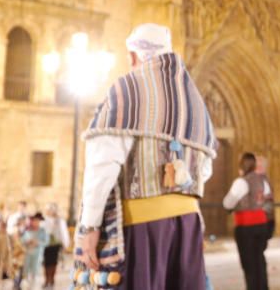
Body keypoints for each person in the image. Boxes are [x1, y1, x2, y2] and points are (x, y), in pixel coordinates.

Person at [76, 23, 217, 290]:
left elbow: (101, 166)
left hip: (143, 225)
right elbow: (205, 168)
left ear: (133, 56)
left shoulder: (128, 88)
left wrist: (90, 227)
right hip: (188, 223)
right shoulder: (193, 98)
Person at [223, 152, 271, 290]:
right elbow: (266, 199)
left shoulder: (241, 182)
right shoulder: (263, 180)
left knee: (249, 264)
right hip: (262, 225)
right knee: (260, 261)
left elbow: (227, 203)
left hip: (246, 227)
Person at [40, 202, 69, 289]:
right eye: (48, 210)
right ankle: (46, 280)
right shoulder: (44, 220)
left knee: (53, 263)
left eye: (51, 210)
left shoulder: (60, 220)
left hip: (55, 245)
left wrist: (65, 244)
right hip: (46, 244)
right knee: (46, 263)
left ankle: (52, 280)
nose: (50, 211)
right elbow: (42, 231)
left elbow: (63, 232)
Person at [20, 213, 49, 290]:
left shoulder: (43, 231)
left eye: (37, 221)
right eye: (34, 221)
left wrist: (38, 242)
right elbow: (22, 240)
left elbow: (46, 242)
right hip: (28, 254)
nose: (35, 223)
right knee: (26, 274)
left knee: (35, 274)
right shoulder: (28, 231)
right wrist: (27, 242)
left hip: (37, 254)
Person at [254, 155, 276, 241]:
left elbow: (269, 198)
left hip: (266, 218)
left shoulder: (265, 180)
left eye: (260, 166)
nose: (258, 168)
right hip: (258, 218)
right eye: (257, 166)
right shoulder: (252, 180)